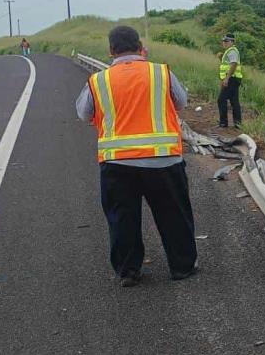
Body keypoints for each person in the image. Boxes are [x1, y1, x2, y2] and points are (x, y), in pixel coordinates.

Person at [75, 25, 198, 287]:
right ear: (141, 47)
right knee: (173, 216)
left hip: (117, 163)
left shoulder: (99, 81)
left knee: (122, 219)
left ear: (110, 51)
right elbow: (181, 102)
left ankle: (128, 271)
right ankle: (182, 267)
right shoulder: (160, 72)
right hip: (164, 159)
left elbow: (84, 114)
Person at [217, 33, 243, 128]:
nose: (224, 43)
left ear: (232, 42)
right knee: (234, 101)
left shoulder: (232, 51)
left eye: (226, 41)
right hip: (234, 78)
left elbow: (233, 64)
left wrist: (227, 78)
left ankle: (223, 123)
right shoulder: (229, 51)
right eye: (223, 41)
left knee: (221, 100)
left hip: (232, 78)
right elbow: (227, 65)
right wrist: (221, 58)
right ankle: (238, 124)